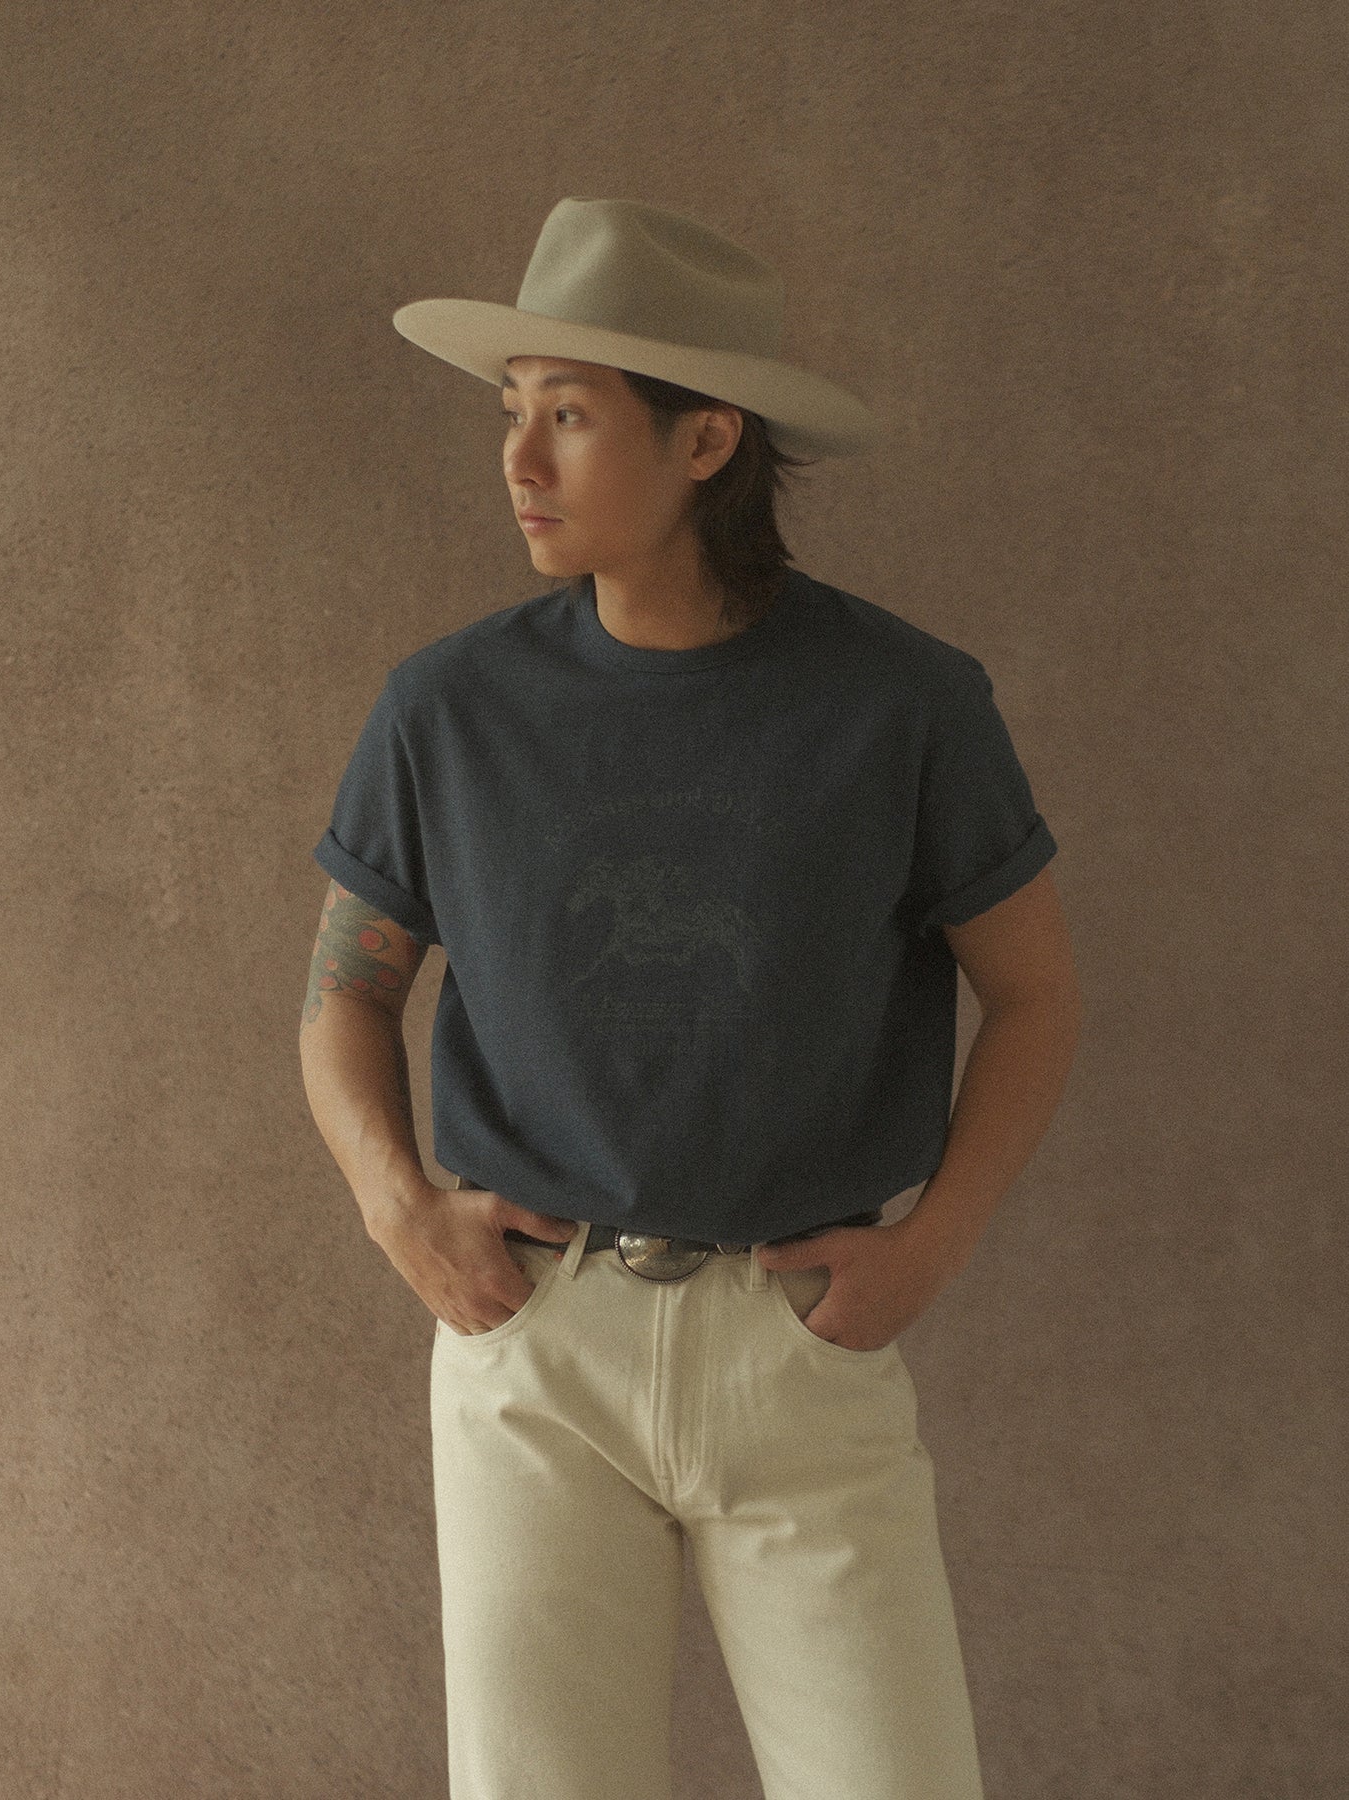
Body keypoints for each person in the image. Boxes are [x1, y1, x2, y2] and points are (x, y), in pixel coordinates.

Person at [299, 197, 1082, 1800]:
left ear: (707, 439)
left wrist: (933, 1244)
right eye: (511, 410)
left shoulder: (904, 704)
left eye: (570, 416)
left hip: (796, 1347)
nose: (518, 459)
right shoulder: (447, 709)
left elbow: (1038, 996)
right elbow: (343, 996)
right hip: (536, 1346)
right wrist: (399, 1212)